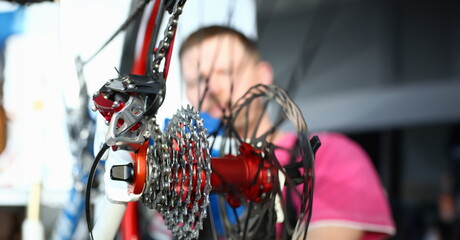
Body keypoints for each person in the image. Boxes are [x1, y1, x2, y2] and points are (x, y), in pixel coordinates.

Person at [178, 25, 396, 239]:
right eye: (197, 80)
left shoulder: (330, 156)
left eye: (225, 72)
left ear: (262, 74)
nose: (212, 89)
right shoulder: (185, 182)